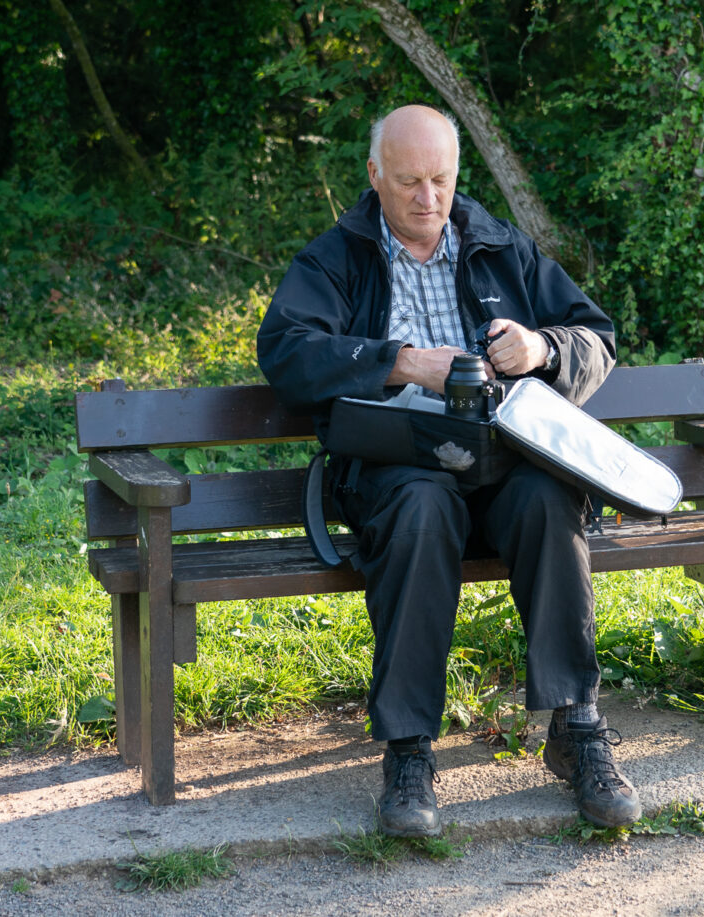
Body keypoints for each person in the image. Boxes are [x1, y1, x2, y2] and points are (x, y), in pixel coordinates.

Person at [257, 104, 641, 837]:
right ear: (375, 176)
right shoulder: (335, 259)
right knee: (420, 508)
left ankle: (577, 725)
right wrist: (400, 361)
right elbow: (285, 351)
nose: (427, 198)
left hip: (506, 458)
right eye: (408, 181)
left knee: (549, 498)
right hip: (399, 464)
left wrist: (543, 348)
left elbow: (597, 337)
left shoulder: (502, 248)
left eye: (440, 179)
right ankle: (408, 751)